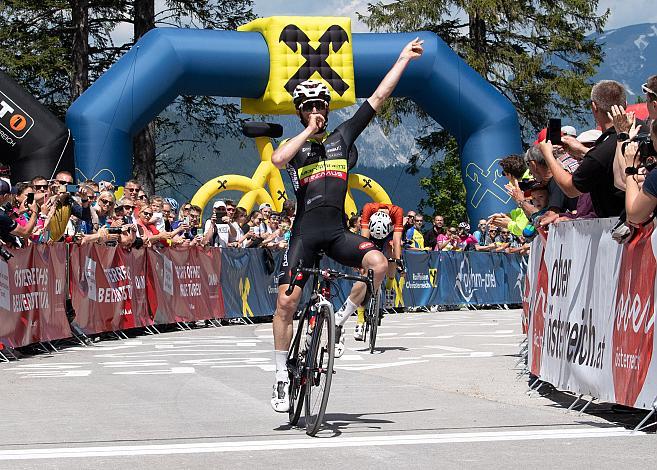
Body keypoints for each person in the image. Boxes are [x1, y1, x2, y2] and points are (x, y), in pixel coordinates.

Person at [269, 37, 424, 412]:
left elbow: (378, 99)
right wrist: (308, 131)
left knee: (379, 264)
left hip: (337, 233)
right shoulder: (298, 146)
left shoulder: (343, 138)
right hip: (304, 236)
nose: (318, 111)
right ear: (300, 113)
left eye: (322, 106)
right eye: (310, 108)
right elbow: (276, 159)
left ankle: (339, 318)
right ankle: (278, 377)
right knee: (286, 303)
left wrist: (402, 59)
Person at [538, 80, 627, 218]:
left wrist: (548, 155)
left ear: (594, 107)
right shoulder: (641, 131)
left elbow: (571, 188)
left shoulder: (603, 149)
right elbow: (608, 161)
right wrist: (582, 150)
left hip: (619, 226)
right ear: (625, 105)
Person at [355, 202, 405, 340]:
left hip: (388, 236)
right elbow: (364, 239)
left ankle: (389, 286)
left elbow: (396, 240)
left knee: (391, 251)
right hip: (370, 235)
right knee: (363, 278)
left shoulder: (397, 211)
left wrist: (398, 259)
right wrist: (360, 260)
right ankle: (359, 321)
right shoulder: (368, 209)